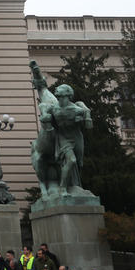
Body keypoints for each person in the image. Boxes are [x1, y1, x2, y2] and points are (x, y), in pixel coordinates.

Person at [29, 60, 93, 198]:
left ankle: (74, 185)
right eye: (57, 93)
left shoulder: (77, 108)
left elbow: (87, 123)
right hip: (63, 138)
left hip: (76, 136)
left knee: (79, 163)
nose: (57, 93)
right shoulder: (54, 106)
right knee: (72, 161)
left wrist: (85, 117)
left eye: (60, 93)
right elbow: (44, 106)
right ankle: (63, 188)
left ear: (67, 94)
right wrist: (44, 114)